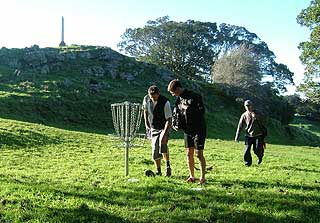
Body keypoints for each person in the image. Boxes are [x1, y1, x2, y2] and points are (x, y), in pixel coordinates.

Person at [167, 79, 207, 185]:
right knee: (189, 154)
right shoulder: (178, 99)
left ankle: (202, 178)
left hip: (198, 129)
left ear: (178, 88)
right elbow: (177, 113)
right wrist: (176, 124)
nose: (173, 95)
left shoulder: (194, 96)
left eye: (173, 92)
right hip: (187, 130)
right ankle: (192, 176)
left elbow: (202, 111)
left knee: (198, 154)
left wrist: (188, 108)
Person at [142, 85, 172, 176]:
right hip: (153, 127)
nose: (153, 99)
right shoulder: (146, 99)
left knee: (163, 146)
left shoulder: (165, 102)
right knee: (155, 149)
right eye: (151, 97)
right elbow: (145, 111)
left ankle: (168, 166)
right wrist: (147, 125)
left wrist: (165, 134)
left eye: (155, 97)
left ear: (158, 94)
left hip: (164, 126)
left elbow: (169, 120)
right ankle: (158, 170)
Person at [235, 100, 266, 166]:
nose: (248, 107)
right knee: (247, 150)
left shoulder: (258, 113)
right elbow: (240, 126)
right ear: (244, 107)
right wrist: (237, 136)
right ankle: (247, 163)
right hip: (248, 135)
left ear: (252, 106)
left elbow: (264, 121)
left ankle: (260, 157)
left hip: (258, 135)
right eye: (246, 106)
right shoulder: (244, 115)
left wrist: (256, 117)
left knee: (257, 150)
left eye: (249, 105)